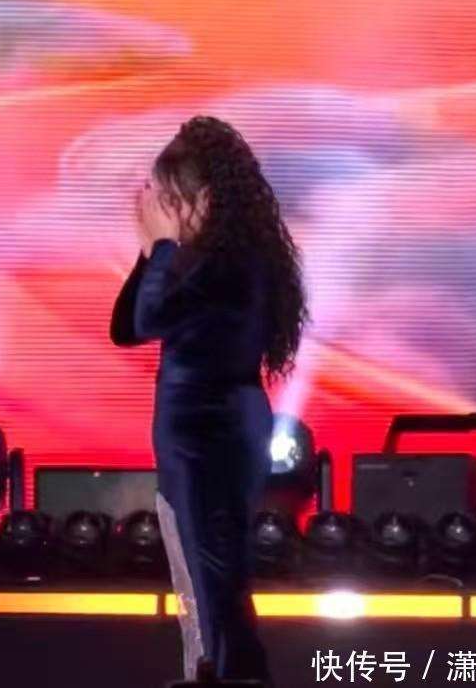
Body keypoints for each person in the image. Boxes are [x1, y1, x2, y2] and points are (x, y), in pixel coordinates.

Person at [110, 116, 309, 685]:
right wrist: (151, 254)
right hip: (195, 433)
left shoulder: (229, 263)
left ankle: (229, 676)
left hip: (213, 432)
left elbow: (152, 316)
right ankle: (217, 674)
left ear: (203, 198)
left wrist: (162, 247)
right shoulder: (201, 260)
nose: (160, 211)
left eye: (169, 200)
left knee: (217, 580)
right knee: (205, 580)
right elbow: (126, 328)